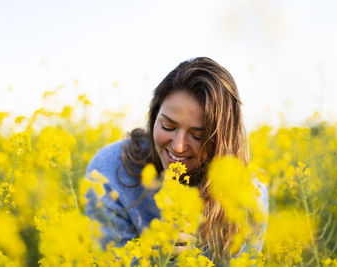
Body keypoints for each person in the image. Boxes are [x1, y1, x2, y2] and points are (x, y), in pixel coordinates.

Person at [85, 57, 268, 262]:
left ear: (221, 142)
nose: (178, 146)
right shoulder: (109, 170)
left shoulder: (249, 193)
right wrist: (158, 256)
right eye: (168, 127)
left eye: (198, 136)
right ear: (154, 117)